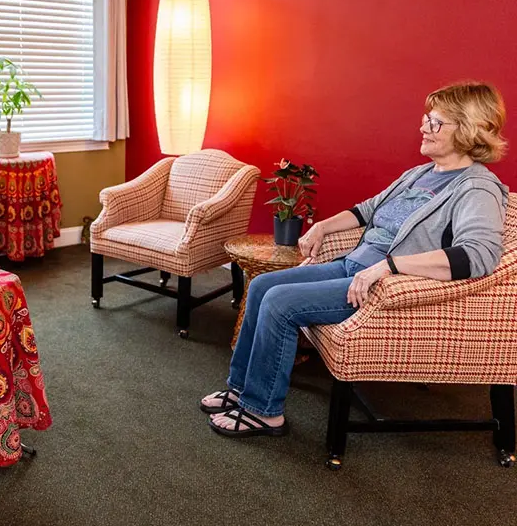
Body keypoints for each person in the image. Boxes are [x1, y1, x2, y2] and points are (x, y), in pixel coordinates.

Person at [201, 81, 509, 437]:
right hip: (352, 265)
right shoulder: (422, 173)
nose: (423, 127)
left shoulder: (476, 188)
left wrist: (390, 266)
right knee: (261, 286)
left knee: (279, 302)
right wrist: (323, 228)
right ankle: (240, 389)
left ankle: (263, 410)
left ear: (468, 130)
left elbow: (479, 255)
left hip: (377, 287)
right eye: (426, 118)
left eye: (435, 122)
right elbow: (369, 209)